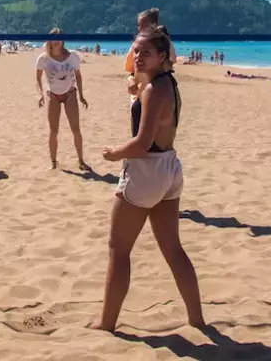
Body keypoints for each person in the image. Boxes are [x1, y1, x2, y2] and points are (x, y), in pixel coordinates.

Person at [92, 26, 204, 332]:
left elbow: (141, 144)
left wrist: (114, 153)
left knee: (118, 248)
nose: (138, 57)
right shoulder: (167, 83)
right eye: (136, 51)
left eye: (146, 52)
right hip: (170, 168)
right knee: (172, 248)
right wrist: (137, 96)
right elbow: (156, 119)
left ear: (162, 56)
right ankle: (197, 319)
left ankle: (106, 323)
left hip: (147, 170)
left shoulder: (155, 89)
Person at [35, 28, 90, 170]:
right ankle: (53, 162)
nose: (56, 39)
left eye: (59, 37)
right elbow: (37, 77)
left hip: (70, 94)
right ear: (49, 40)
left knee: (76, 129)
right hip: (52, 95)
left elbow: (78, 76)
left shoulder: (72, 56)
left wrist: (82, 95)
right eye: (53, 37)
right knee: (53, 131)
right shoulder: (43, 58)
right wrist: (40, 94)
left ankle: (81, 160)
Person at [125, 8, 177, 98]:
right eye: (139, 25)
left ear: (155, 25)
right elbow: (132, 71)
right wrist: (130, 80)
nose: (140, 28)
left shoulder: (164, 45)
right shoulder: (135, 46)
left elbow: (168, 68)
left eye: (144, 25)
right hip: (138, 95)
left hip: (156, 94)